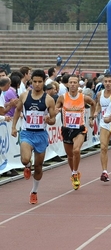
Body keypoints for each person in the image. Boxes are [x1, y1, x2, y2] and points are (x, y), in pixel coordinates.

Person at [11, 70, 57, 204]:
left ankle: (34, 191)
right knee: (25, 159)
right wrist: (14, 127)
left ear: (43, 82)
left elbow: (53, 119)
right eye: (34, 82)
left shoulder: (48, 100)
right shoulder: (24, 96)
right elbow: (18, 110)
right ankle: (27, 165)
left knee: (38, 166)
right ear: (31, 82)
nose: (37, 84)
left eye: (40, 82)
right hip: (27, 133)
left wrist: (49, 120)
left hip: (41, 135)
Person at [55, 74, 96, 190]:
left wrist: (92, 117)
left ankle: (74, 172)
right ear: (67, 84)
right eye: (70, 82)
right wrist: (56, 111)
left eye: (75, 82)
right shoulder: (62, 97)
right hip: (66, 129)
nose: (72, 84)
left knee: (76, 150)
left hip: (79, 129)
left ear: (78, 84)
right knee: (70, 156)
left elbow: (93, 103)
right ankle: (74, 173)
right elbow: (54, 109)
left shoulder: (83, 97)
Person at [94, 73, 111, 182]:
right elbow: (98, 105)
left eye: (110, 81)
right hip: (104, 123)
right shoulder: (100, 94)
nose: (107, 84)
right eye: (105, 81)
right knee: (103, 147)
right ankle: (104, 172)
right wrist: (96, 113)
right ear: (103, 82)